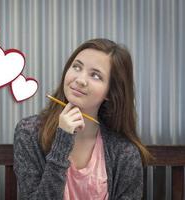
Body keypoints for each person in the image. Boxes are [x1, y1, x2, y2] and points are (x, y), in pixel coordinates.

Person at [13, 38, 151, 200]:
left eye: (95, 75)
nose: (80, 80)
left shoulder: (124, 152)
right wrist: (62, 141)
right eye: (76, 67)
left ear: (110, 92)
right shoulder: (29, 132)